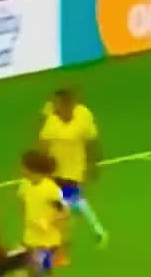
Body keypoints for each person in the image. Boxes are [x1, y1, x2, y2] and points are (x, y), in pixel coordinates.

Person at [4, 151, 69, 277]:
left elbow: (64, 212)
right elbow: (23, 205)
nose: (21, 169)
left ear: (32, 169)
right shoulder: (24, 185)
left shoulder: (51, 189)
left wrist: (48, 222)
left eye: (24, 166)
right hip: (29, 240)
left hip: (46, 244)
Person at [39, 89, 108, 263]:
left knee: (64, 209)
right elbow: (43, 142)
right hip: (55, 172)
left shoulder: (82, 117)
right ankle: (98, 232)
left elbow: (91, 140)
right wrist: (43, 167)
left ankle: (63, 251)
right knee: (71, 205)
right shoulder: (51, 120)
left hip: (73, 172)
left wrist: (93, 163)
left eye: (58, 103)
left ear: (67, 104)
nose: (55, 106)